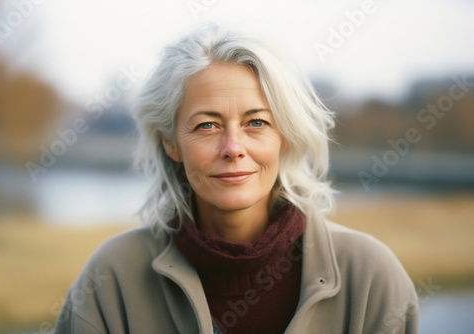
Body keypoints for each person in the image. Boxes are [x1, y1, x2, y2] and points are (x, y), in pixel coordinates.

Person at [54, 23, 419, 334]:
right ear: (172, 143)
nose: (233, 147)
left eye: (256, 122)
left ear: (285, 136)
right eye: (207, 125)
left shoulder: (371, 277)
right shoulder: (111, 278)